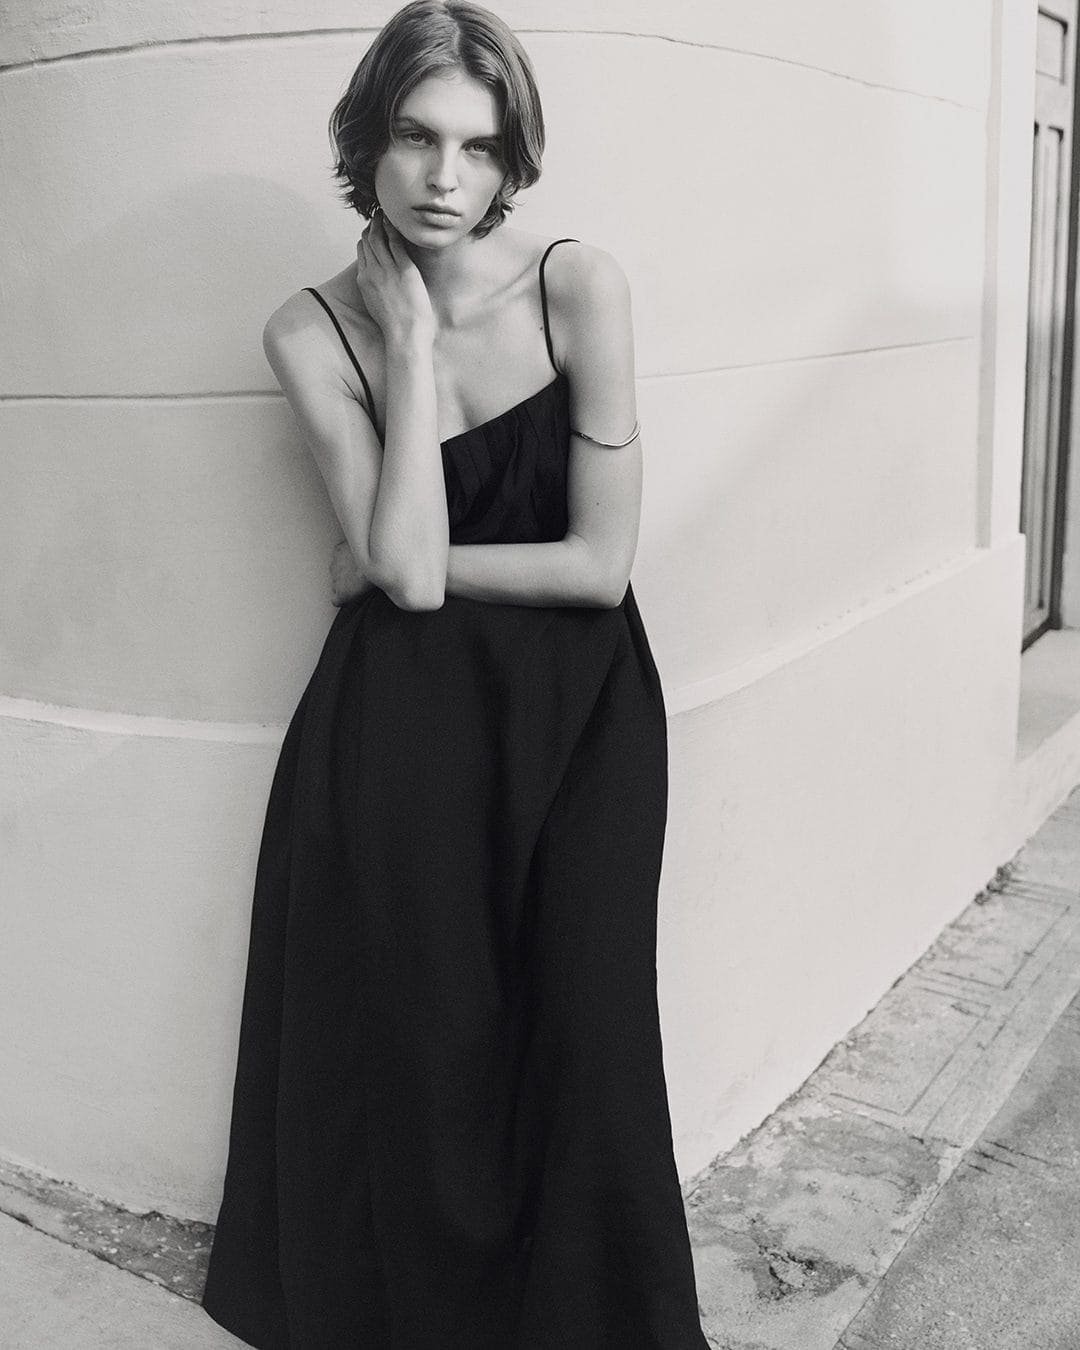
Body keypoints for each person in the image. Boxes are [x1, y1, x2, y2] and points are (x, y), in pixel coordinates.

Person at [200, 2, 710, 1345]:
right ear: (366, 140)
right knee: (425, 1040)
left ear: (512, 160)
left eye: (480, 149)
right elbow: (409, 583)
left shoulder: (578, 285)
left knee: (588, 1032)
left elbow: (596, 566)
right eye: (416, 138)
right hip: (402, 724)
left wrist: (377, 556)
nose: (445, 178)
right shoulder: (311, 332)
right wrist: (414, 349)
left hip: (580, 714)